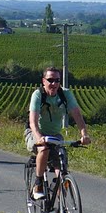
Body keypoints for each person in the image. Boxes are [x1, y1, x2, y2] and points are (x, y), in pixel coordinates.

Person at [26, 67, 91, 199]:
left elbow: (77, 115)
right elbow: (32, 122)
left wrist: (84, 134)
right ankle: (38, 183)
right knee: (44, 149)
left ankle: (61, 211)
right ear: (43, 81)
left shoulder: (65, 94)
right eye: (50, 80)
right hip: (35, 132)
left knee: (61, 165)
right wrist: (39, 138)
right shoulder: (38, 95)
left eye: (57, 80)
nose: (54, 84)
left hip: (55, 135)